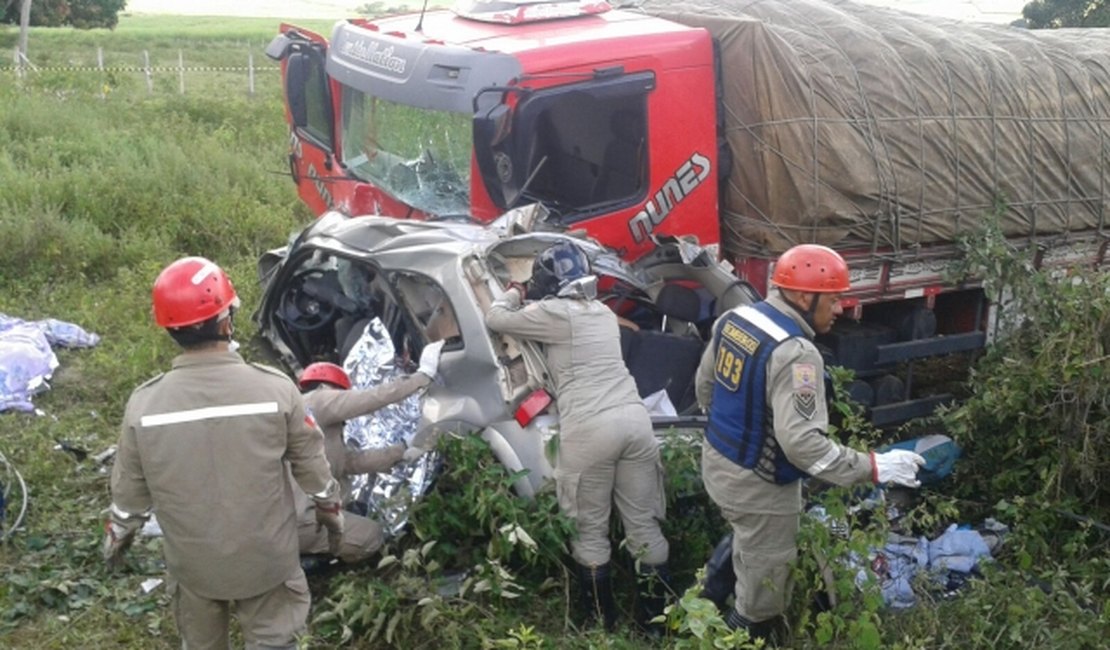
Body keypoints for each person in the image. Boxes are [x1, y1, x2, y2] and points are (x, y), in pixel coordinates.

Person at [103, 256, 342, 650]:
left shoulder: (144, 406)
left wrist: (115, 546)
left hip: (195, 569)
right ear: (226, 320)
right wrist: (334, 523)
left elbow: (128, 503)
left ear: (168, 329)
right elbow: (316, 478)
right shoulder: (276, 391)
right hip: (268, 562)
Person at [696, 244, 927, 644]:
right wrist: (875, 466)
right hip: (759, 483)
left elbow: (705, 388)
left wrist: (740, 431)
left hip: (719, 461)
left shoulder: (736, 318)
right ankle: (729, 635)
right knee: (763, 600)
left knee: (745, 533)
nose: (840, 309)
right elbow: (802, 446)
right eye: (834, 299)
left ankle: (704, 603)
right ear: (804, 297)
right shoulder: (798, 354)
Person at [485, 240, 671, 634]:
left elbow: (495, 319)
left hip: (591, 429)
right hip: (636, 421)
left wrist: (514, 291)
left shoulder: (554, 312)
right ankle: (655, 626)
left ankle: (600, 627)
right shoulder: (602, 312)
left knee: (589, 530)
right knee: (644, 527)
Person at [294, 340, 444, 564]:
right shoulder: (318, 401)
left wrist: (402, 450)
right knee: (371, 536)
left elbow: (352, 462)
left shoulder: (314, 424)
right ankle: (315, 560)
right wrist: (422, 377)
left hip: (291, 517)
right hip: (300, 518)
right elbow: (371, 398)